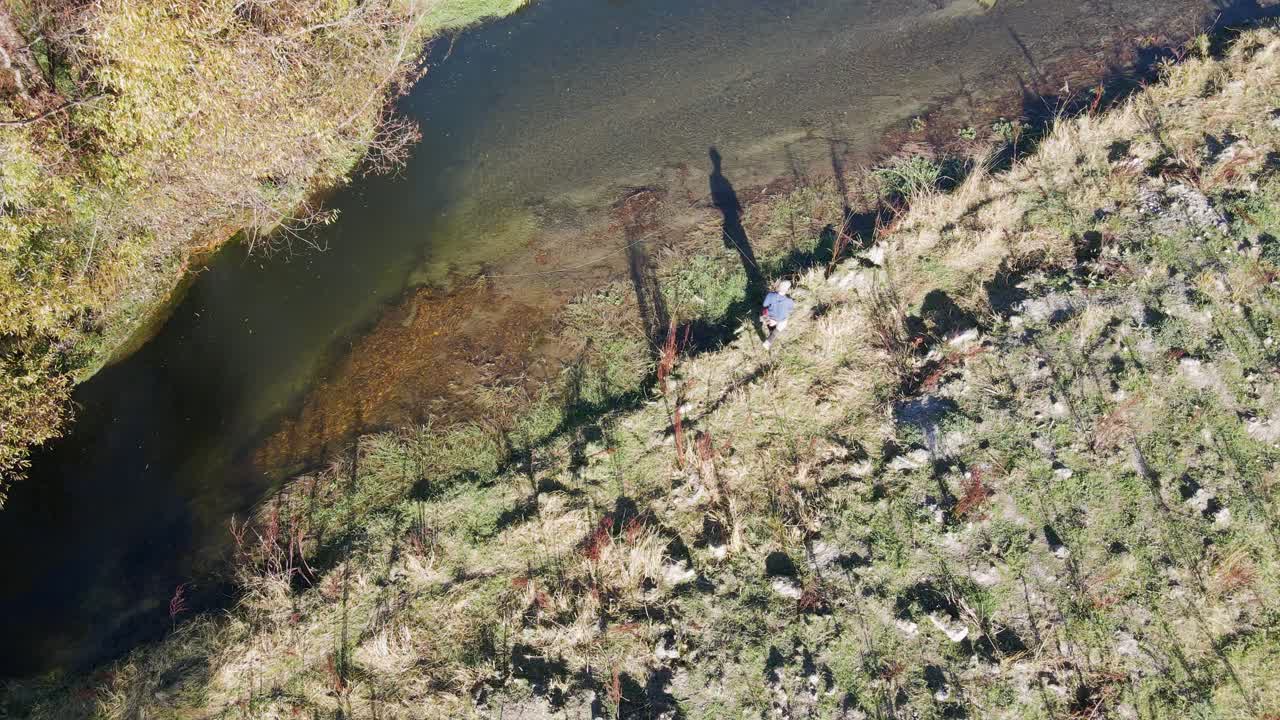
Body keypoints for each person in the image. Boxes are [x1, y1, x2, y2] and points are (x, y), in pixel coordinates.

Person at [760, 280, 794, 350]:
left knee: (763, 314)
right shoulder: (789, 300)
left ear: (779, 287)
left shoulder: (770, 295)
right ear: (787, 289)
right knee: (783, 324)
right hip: (778, 320)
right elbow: (790, 310)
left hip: (767, 318)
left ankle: (771, 329)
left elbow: (764, 305)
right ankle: (768, 342)